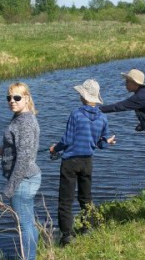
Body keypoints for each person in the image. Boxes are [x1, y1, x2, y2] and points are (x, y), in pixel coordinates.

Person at [49, 79, 115, 246]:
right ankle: (87, 228)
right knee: (86, 197)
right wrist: (108, 142)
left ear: (83, 96)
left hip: (70, 162)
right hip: (87, 162)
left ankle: (67, 236)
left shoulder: (76, 114)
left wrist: (55, 149)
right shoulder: (102, 118)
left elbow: (67, 140)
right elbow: (101, 143)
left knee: (65, 200)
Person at [100, 68, 145, 202]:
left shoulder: (141, 96)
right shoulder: (143, 94)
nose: (125, 84)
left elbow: (119, 106)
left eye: (127, 81)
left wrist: (97, 109)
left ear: (135, 83)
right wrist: (143, 125)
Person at [0, 82, 42, 260]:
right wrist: (2, 150)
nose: (12, 102)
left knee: (24, 225)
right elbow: (16, 145)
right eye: (9, 98)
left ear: (26, 98)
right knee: (28, 223)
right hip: (27, 178)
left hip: (23, 179)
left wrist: (11, 186)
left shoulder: (24, 122)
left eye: (16, 98)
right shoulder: (21, 117)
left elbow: (23, 159)